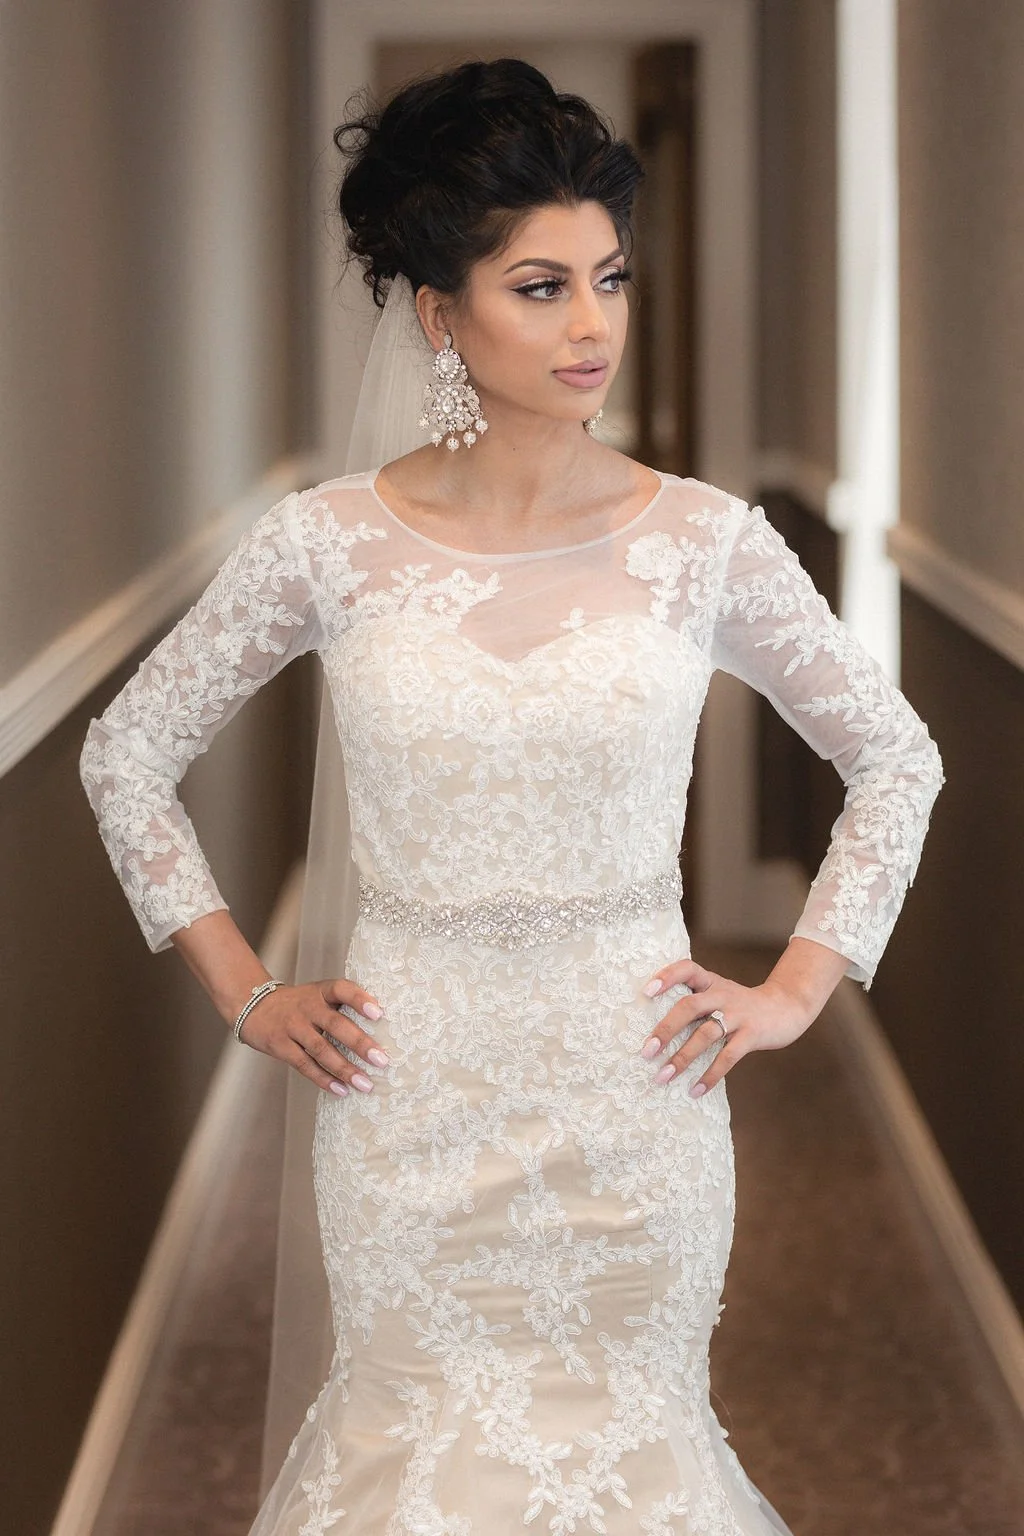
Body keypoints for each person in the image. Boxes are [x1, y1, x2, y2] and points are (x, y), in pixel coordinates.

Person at [79, 58, 943, 1536]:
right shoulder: (328, 545)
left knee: (638, 1448)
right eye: (539, 287)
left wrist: (798, 988)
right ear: (437, 313)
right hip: (407, 1106)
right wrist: (241, 988)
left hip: (638, 1100)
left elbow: (897, 754)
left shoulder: (710, 543)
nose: (594, 321)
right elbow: (124, 749)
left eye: (608, 277)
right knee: (417, 1456)